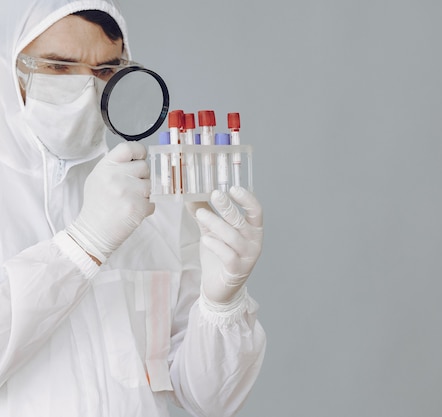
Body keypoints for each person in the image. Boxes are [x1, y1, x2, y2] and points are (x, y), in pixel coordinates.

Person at [0, 1, 266, 416]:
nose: (86, 89)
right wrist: (83, 246)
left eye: (105, 71)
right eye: (57, 67)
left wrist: (222, 304)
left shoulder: (153, 199)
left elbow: (211, 401)